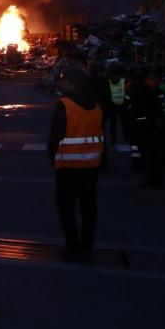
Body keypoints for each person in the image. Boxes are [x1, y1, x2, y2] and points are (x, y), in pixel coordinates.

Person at [48, 66, 106, 257]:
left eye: (64, 80)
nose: (60, 83)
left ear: (73, 83)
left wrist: (52, 156)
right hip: (91, 166)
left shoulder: (65, 105)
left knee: (66, 207)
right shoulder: (96, 105)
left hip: (68, 167)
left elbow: (56, 135)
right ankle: (87, 243)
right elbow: (100, 132)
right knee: (89, 207)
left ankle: (72, 246)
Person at [125, 69, 164, 187]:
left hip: (140, 124)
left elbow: (129, 107)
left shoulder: (133, 90)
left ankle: (148, 174)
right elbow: (158, 104)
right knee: (152, 152)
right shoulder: (150, 90)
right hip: (151, 123)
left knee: (143, 149)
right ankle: (155, 177)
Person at [104, 65, 127, 144]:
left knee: (113, 123)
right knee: (123, 122)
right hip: (121, 104)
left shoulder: (108, 81)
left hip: (113, 104)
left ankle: (113, 139)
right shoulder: (123, 81)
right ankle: (125, 137)